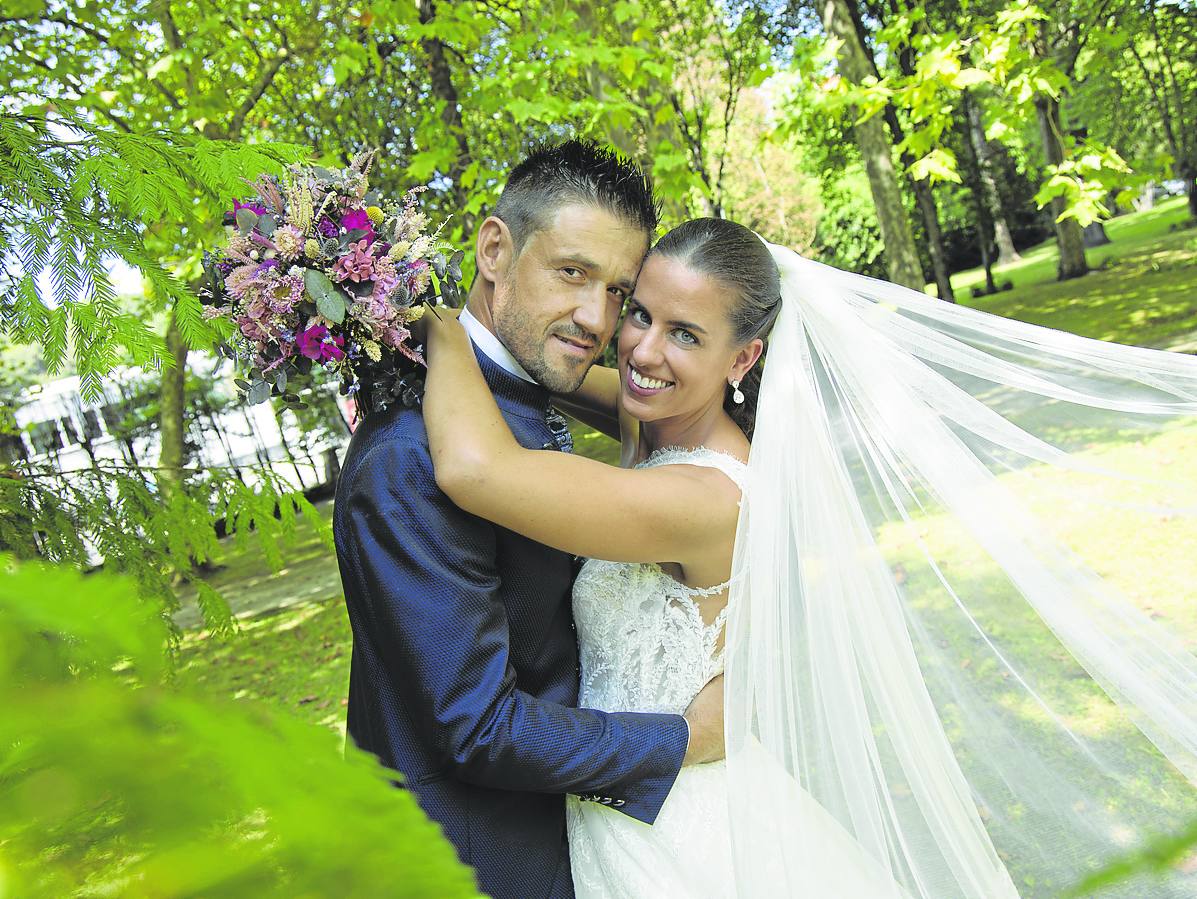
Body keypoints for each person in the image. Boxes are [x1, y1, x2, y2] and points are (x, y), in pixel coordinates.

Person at [422, 216, 1197, 898]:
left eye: (685, 334)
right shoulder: (665, 425)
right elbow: (593, 385)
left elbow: (474, 469)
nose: (641, 350)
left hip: (671, 830)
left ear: (743, 357)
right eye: (641, 314)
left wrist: (434, 320)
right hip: (657, 796)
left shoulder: (703, 498)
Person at [332, 141, 725, 899]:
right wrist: (689, 738)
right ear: (493, 249)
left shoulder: (513, 391)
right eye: (572, 273)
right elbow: (476, 725)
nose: (595, 318)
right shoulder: (409, 456)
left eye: (618, 292)